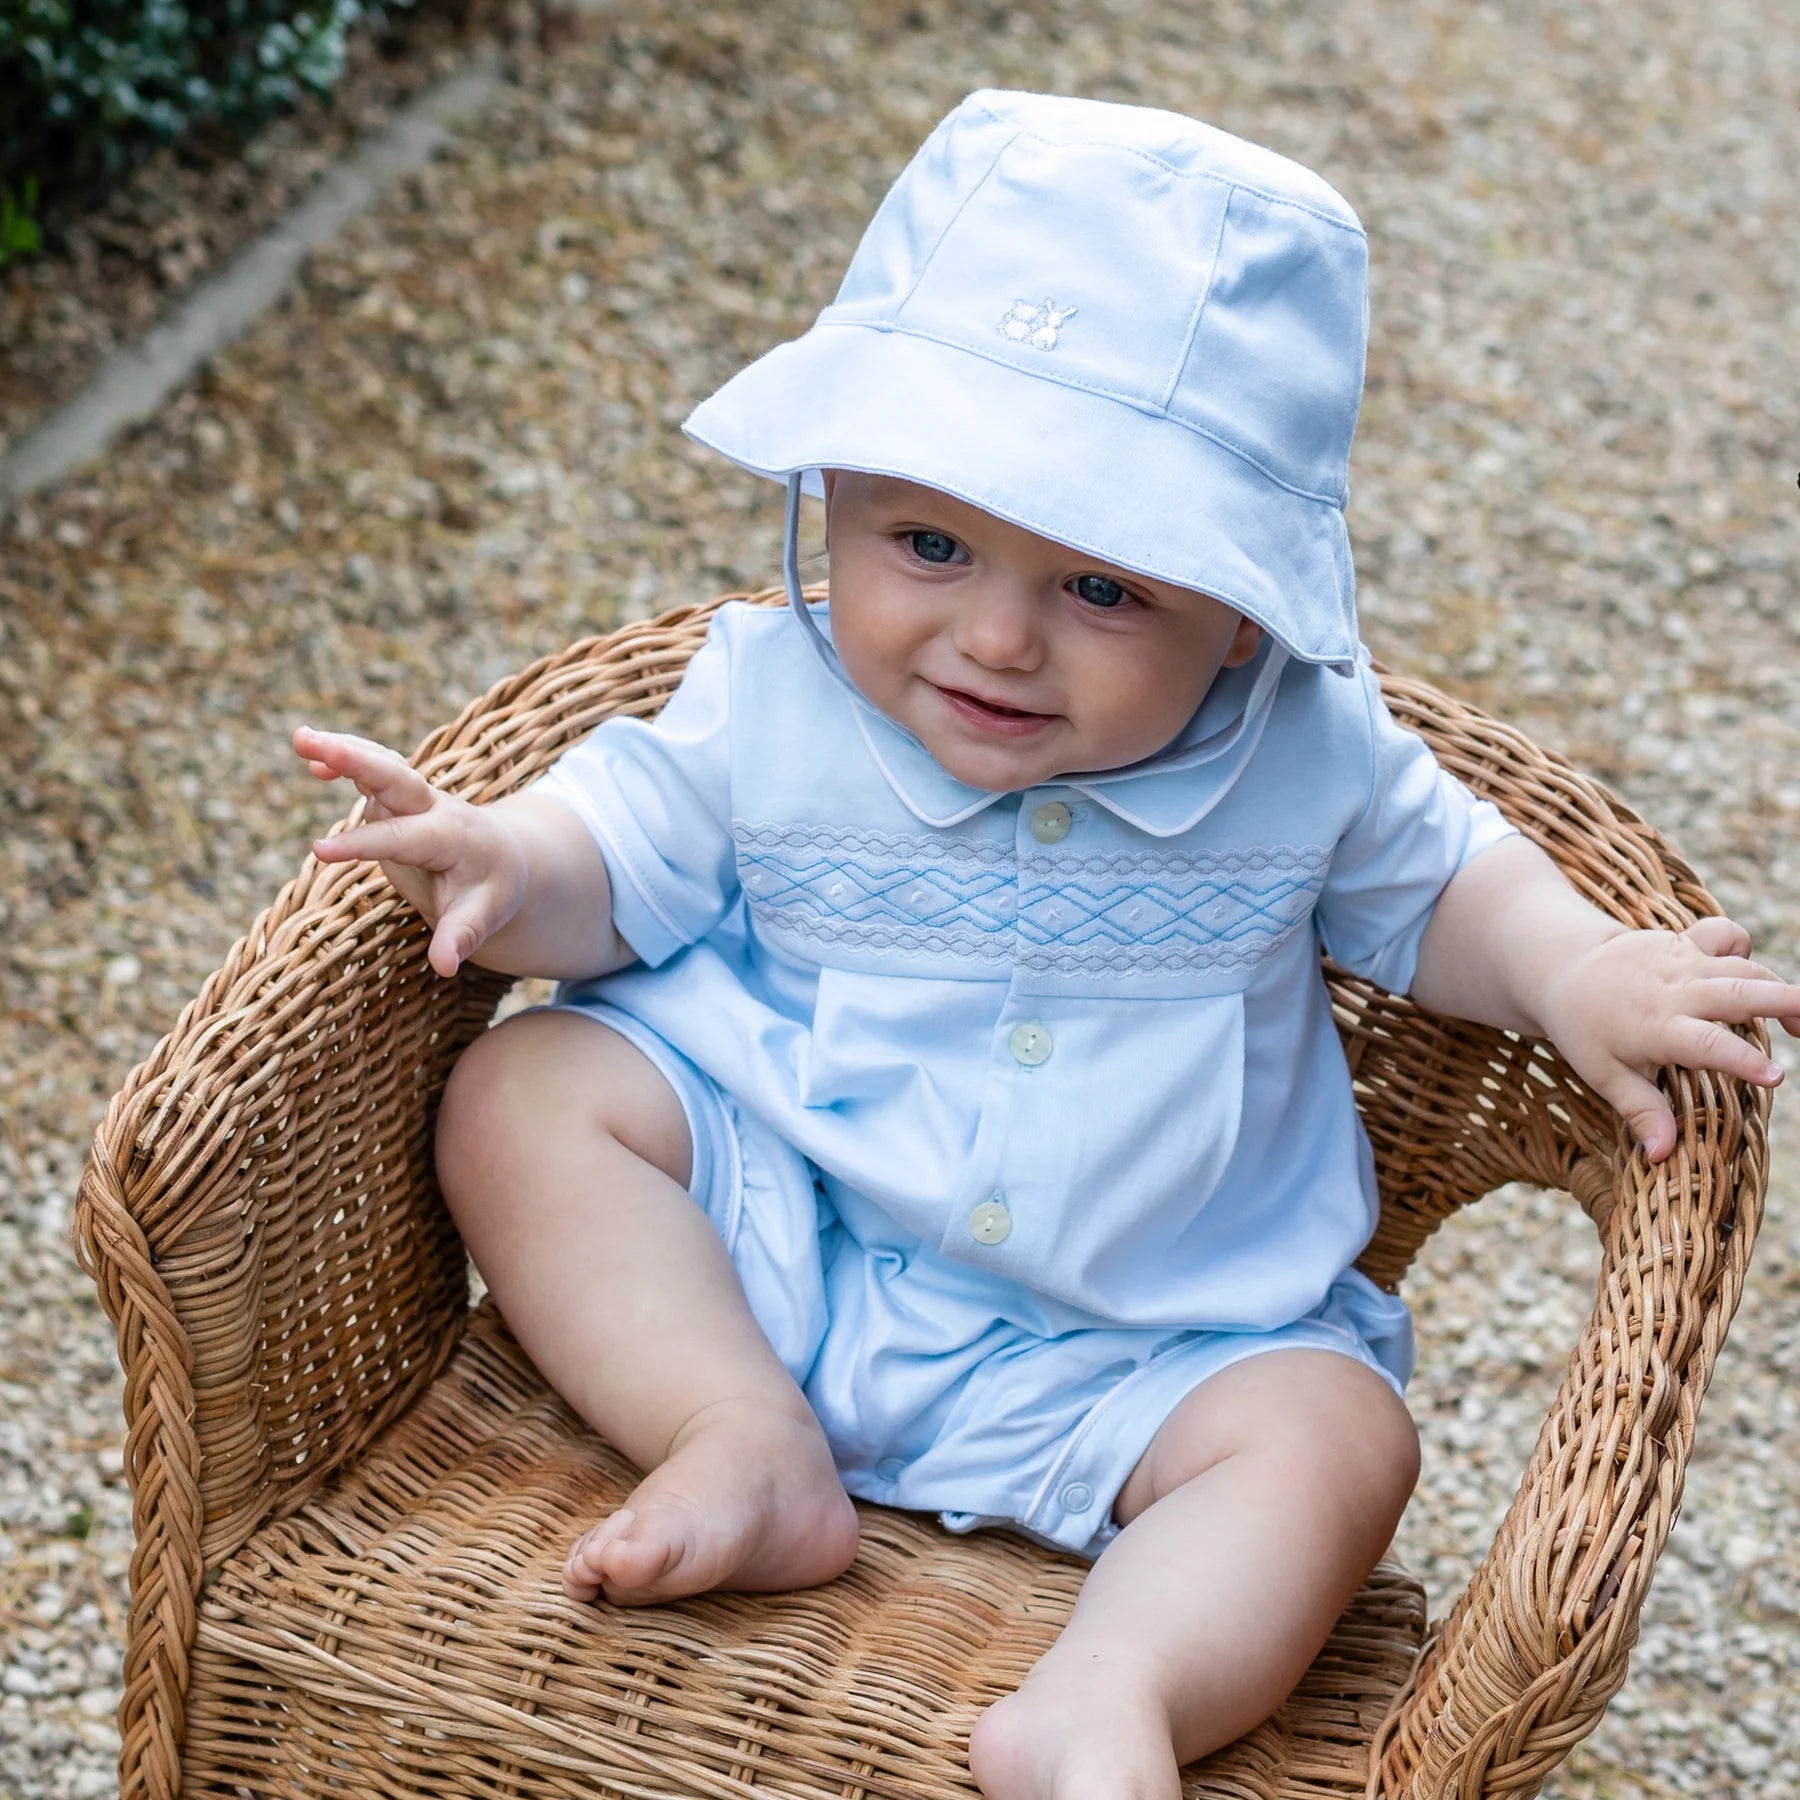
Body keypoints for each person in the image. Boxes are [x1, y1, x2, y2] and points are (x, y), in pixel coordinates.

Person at [291, 91, 1800, 1800]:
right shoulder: (769, 702)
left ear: (1238, 608)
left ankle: (1112, 1694)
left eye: (1106, 591)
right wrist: (502, 861)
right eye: (927, 544)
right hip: (789, 1247)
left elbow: (1451, 884)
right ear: (832, 498)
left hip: (1151, 1344)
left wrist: (1578, 970)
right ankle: (738, 1436)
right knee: (530, 1087)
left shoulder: (1293, 749)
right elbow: (612, 860)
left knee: (1336, 1437)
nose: (997, 638)